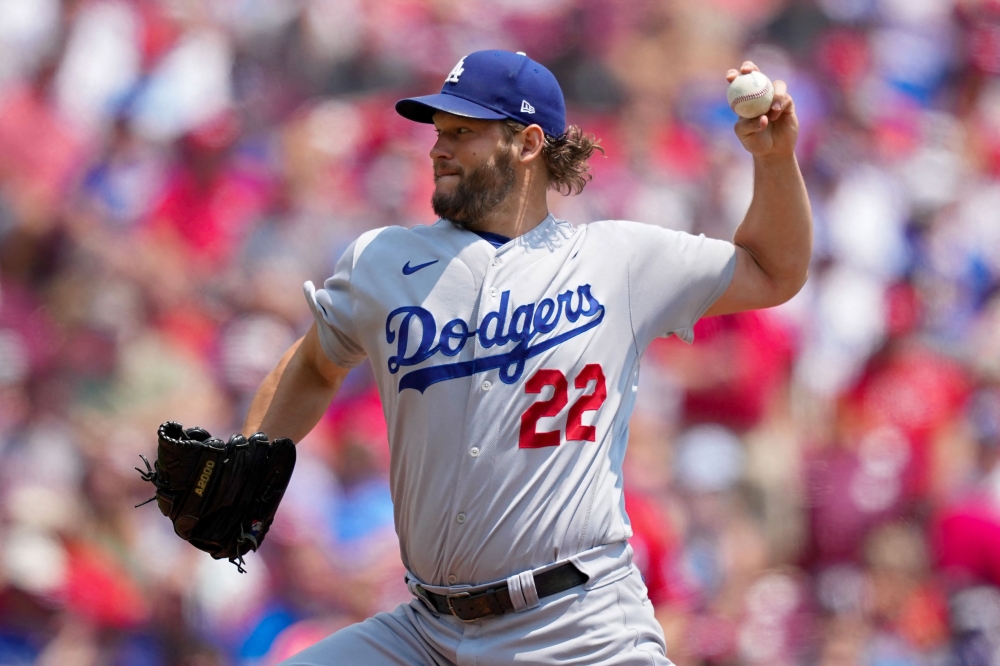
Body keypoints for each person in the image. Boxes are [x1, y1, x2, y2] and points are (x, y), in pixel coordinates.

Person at [245, 49, 811, 665]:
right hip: (425, 633)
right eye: (439, 132)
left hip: (575, 629)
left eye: (463, 132)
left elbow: (771, 269)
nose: (439, 149)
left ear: (528, 142)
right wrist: (250, 458)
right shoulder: (384, 259)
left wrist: (774, 161)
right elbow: (315, 362)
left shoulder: (615, 259)